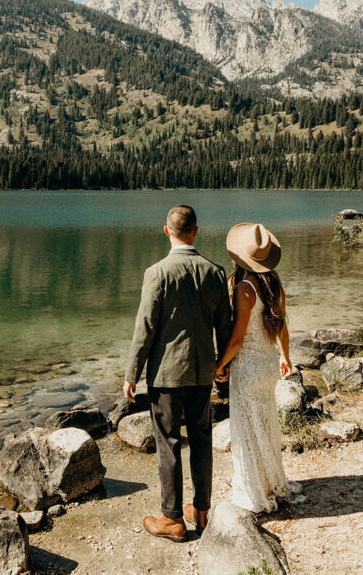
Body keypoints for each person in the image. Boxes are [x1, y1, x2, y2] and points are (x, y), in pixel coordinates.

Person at [124, 204, 233, 542]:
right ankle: (201, 510)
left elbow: (145, 328)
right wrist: (223, 367)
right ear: (196, 232)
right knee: (202, 439)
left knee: (168, 443)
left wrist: (132, 373)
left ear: (166, 231)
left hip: (167, 376)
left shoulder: (157, 272)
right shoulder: (215, 272)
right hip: (202, 372)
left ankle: (172, 518)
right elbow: (224, 327)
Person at [215, 222, 302, 513]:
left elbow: (237, 339)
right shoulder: (273, 284)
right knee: (264, 424)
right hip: (267, 366)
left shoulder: (244, 288)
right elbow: (283, 328)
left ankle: (253, 487)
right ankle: (268, 481)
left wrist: (219, 364)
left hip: (249, 368)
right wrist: (285, 358)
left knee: (247, 429)